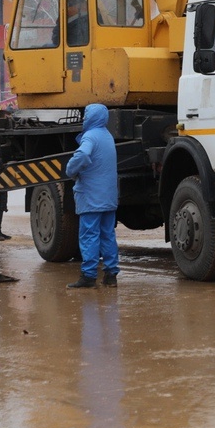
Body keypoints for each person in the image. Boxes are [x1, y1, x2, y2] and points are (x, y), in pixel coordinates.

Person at [65, 103, 120, 289]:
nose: (83, 119)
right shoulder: (107, 136)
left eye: (85, 115)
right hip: (108, 197)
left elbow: (82, 156)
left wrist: (70, 170)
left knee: (89, 235)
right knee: (108, 235)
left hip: (91, 197)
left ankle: (88, 276)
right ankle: (111, 275)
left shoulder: (90, 136)